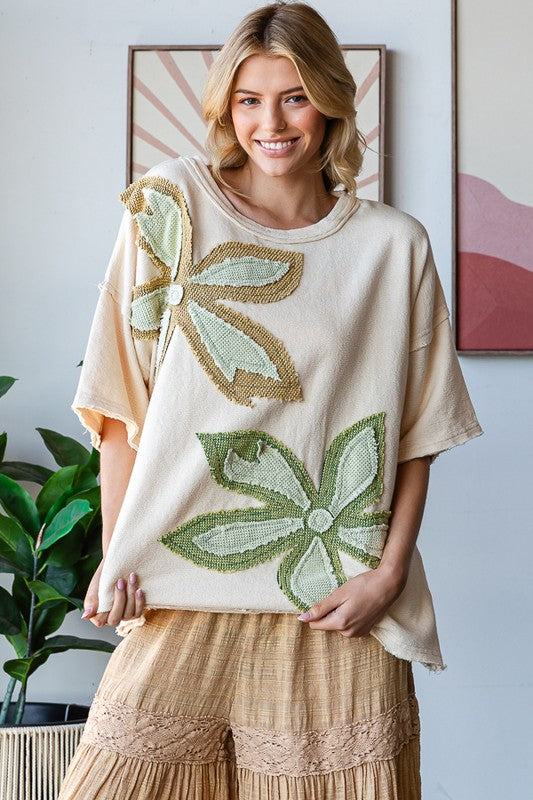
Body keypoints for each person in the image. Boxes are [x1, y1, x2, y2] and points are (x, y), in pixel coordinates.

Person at [59, 3, 482, 798]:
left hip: (335, 600)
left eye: (294, 98)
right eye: (248, 100)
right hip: (177, 586)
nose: (271, 124)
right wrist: (118, 553)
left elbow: (416, 435)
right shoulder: (173, 205)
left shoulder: (392, 246)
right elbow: (119, 400)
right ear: (226, 108)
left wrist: (387, 577)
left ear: (330, 102)